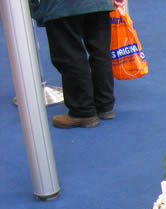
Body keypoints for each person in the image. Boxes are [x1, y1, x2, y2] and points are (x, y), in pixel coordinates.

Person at [29, 0, 125, 128]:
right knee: (100, 51)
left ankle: (83, 111)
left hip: (62, 6)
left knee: (69, 54)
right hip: (99, 4)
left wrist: (36, 9)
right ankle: (104, 105)